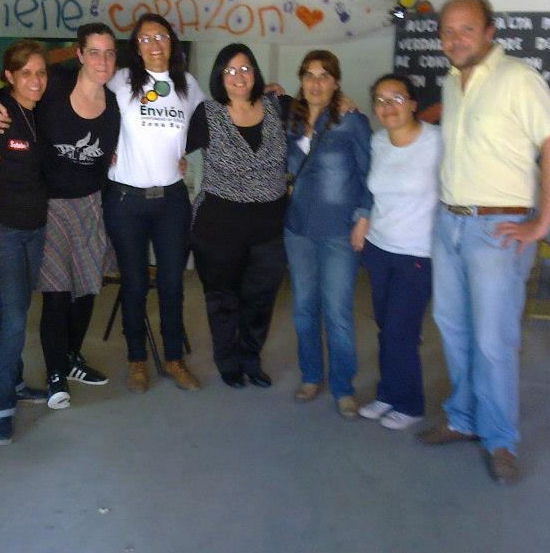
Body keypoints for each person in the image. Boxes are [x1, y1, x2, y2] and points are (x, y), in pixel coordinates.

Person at [418, 0, 550, 484]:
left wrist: (541, 224)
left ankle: (500, 438)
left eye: (466, 28)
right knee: (452, 326)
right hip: (450, 222)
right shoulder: (451, 82)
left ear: (489, 32)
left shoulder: (518, 77)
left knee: (493, 339)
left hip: (498, 228)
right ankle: (463, 418)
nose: (455, 39)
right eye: (447, 31)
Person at [104, 14, 204, 394]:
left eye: (160, 36)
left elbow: (213, 120)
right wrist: (104, 149)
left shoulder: (188, 85)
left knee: (171, 283)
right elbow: (86, 99)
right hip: (126, 200)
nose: (154, 44)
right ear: (136, 46)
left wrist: (271, 95)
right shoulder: (121, 80)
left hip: (171, 201)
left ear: (171, 41)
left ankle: (174, 359)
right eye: (145, 38)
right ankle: (137, 360)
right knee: (133, 284)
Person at [187, 44, 287, 387]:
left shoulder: (278, 106)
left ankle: (251, 358)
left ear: (255, 72)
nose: (238, 77)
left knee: (260, 300)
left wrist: (345, 104)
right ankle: (227, 361)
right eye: (229, 71)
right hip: (218, 228)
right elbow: (168, 141)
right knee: (222, 300)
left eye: (245, 68)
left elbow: (320, 110)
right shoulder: (207, 114)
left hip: (269, 229)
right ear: (219, 77)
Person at [36, 23, 119, 408]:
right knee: (56, 293)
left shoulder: (114, 105)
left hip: (91, 204)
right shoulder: (53, 87)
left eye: (109, 53)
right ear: (80, 54)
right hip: (52, 204)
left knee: (86, 289)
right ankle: (55, 372)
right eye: (95, 52)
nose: (103, 61)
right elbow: (14, 94)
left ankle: (71, 358)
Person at [352, 74, 442, 430]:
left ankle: (410, 403)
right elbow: (370, 192)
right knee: (386, 327)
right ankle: (388, 394)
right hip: (378, 248)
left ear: (413, 103)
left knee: (400, 331)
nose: (388, 106)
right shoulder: (377, 142)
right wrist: (363, 222)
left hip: (416, 253)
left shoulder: (437, 141)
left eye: (396, 98)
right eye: (380, 100)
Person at [285, 50, 372, 417]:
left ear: (336, 82)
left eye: (324, 76)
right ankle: (311, 376)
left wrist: (364, 216)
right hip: (298, 230)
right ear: (301, 80)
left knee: (336, 310)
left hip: (338, 232)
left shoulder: (352, 121)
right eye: (309, 75)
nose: (316, 83)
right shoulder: (292, 120)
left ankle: (342, 387)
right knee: (304, 308)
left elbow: (370, 171)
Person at [0, 40, 49, 445]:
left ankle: (14, 382)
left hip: (35, 230)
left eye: (40, 72)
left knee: (17, 309)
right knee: (15, 315)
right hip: (3, 231)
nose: (35, 80)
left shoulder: (37, 111)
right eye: (26, 74)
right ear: (9, 77)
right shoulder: (0, 114)